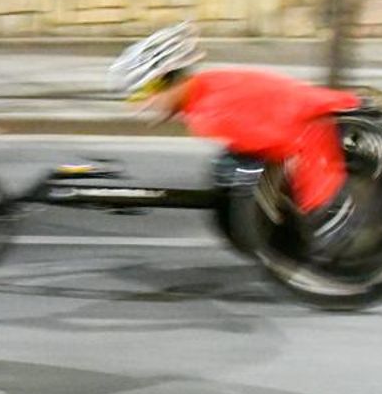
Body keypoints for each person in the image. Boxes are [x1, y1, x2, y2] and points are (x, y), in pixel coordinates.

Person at [110, 21, 361, 259]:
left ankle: (334, 227)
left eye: (143, 93)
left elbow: (286, 143)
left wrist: (313, 203)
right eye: (135, 98)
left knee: (317, 219)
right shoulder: (204, 89)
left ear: (167, 79)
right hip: (308, 119)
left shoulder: (209, 114)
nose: (143, 104)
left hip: (317, 130)